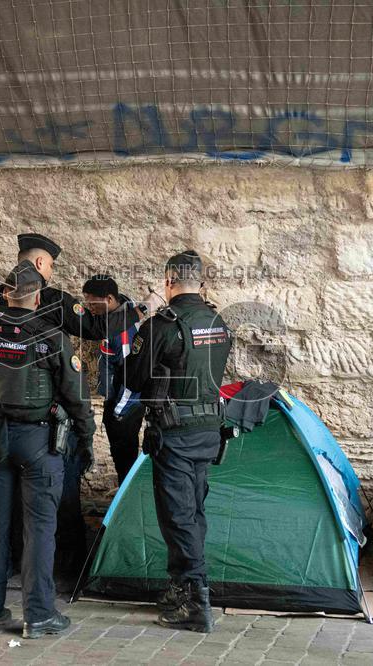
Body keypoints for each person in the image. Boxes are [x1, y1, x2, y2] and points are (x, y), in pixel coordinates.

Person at [0, 260, 97, 639]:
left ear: (6, 294)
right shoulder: (52, 338)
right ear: (38, 299)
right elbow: (77, 398)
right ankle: (38, 615)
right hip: (39, 442)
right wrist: (86, 440)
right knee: (39, 527)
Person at [123, 250, 232, 633]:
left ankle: (196, 601)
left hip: (175, 434)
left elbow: (132, 379)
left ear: (168, 282)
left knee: (177, 516)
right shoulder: (218, 322)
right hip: (209, 431)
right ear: (200, 283)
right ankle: (180, 586)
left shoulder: (161, 325)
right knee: (193, 512)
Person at [81, 274, 144, 485]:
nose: (90, 308)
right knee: (121, 458)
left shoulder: (123, 333)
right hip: (116, 400)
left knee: (125, 460)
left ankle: (127, 499)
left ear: (109, 299)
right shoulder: (115, 316)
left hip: (125, 407)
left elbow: (131, 377)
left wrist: (118, 412)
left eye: (93, 303)